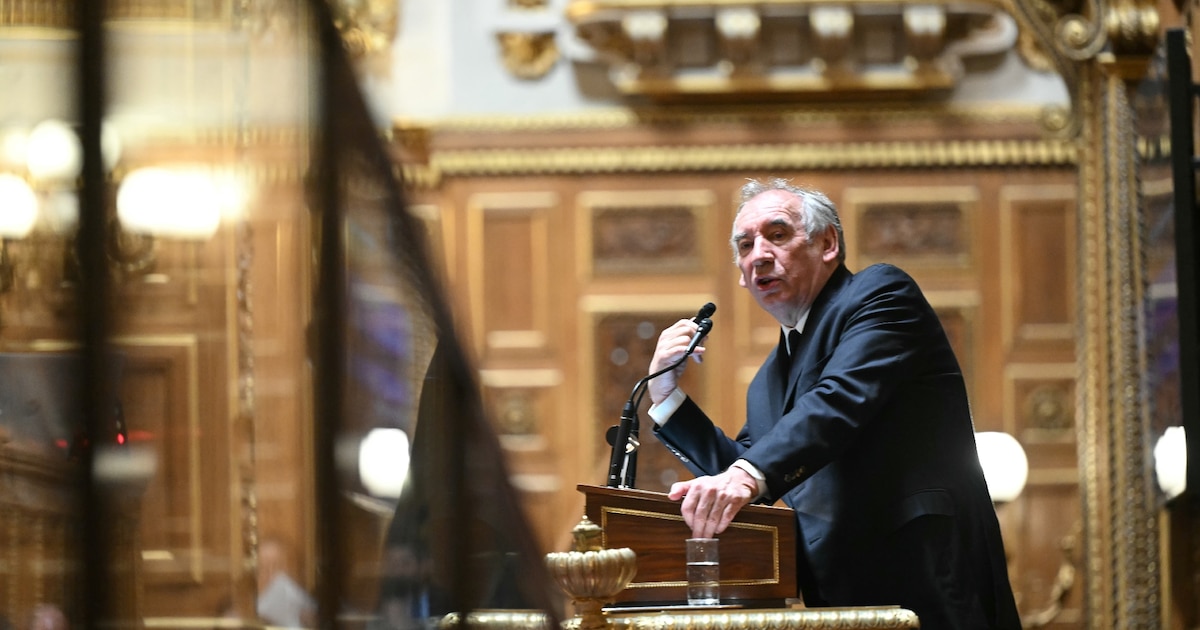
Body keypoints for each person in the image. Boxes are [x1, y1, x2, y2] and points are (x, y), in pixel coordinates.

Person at [646, 178, 1021, 629]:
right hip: (839, 599)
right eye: (745, 246)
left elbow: (838, 401)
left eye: (778, 234)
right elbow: (752, 469)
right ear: (743, 278)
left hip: (926, 582)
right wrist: (667, 396)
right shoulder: (768, 378)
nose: (758, 254)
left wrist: (744, 476)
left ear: (828, 244)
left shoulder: (880, 295)